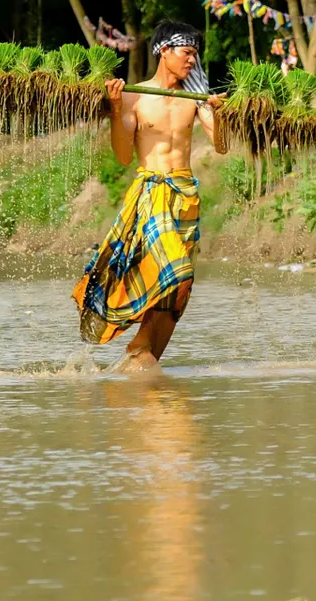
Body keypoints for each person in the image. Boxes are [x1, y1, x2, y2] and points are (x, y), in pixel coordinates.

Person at [71, 20, 228, 372]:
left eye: (195, 55)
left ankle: (143, 363)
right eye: (186, 53)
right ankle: (139, 343)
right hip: (151, 190)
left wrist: (218, 113)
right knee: (177, 270)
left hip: (185, 194)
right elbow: (125, 156)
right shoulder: (135, 95)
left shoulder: (196, 98)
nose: (192, 61)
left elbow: (220, 146)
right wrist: (114, 108)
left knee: (178, 293)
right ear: (163, 51)